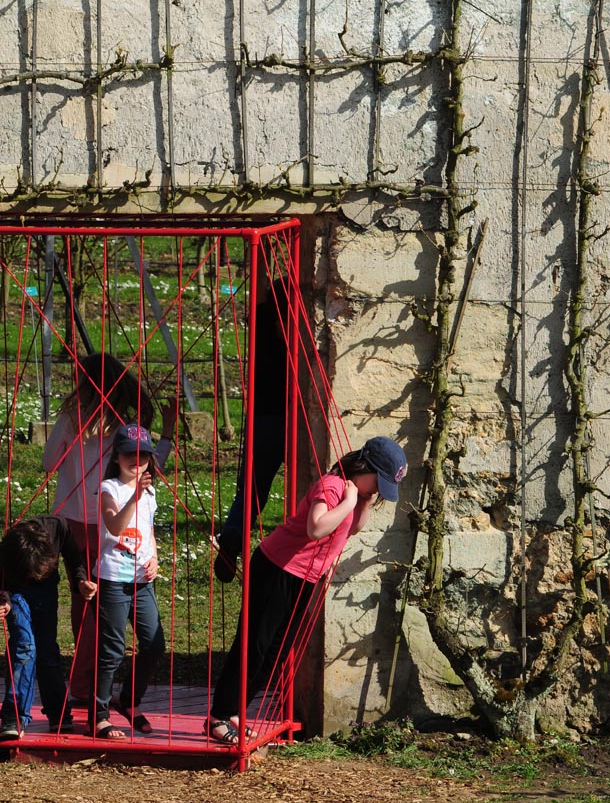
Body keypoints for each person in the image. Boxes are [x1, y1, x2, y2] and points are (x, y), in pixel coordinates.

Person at [206, 435, 408, 745]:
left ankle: (236, 710)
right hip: (277, 568)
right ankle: (218, 716)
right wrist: (350, 501)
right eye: (378, 482)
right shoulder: (332, 486)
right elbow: (316, 527)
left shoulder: (353, 494)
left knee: (275, 651)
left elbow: (351, 527)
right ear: (363, 466)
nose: (379, 490)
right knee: (254, 645)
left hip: (304, 577)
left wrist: (362, 501)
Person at [42, 352, 171, 700]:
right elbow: (150, 467)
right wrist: (167, 434)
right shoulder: (125, 422)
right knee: (118, 602)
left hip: (74, 521)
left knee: (85, 603)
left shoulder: (72, 417)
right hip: (117, 521)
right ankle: (102, 687)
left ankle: (85, 687)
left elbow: (48, 461)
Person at [89, 423, 167, 740]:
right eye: (129, 455)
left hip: (141, 580)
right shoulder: (110, 488)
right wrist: (133, 496)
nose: (137, 462)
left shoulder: (149, 491)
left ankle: (129, 700)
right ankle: (99, 715)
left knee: (154, 644)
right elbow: (114, 526)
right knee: (112, 650)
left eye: (144, 456)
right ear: (117, 456)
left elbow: (147, 531)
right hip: (111, 578)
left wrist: (155, 558)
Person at [0, 515, 97, 742]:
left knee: (47, 650)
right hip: (16, 591)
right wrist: (4, 603)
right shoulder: (7, 554)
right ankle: (13, 717)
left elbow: (73, 558)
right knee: (24, 646)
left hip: (46, 590)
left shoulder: (58, 528)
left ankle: (59, 712)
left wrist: (80, 582)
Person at [214, 273, 289, 583]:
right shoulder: (295, 323)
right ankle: (287, 552)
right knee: (305, 489)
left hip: (263, 413)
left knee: (252, 489)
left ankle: (233, 535)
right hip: (292, 410)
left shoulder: (260, 319)